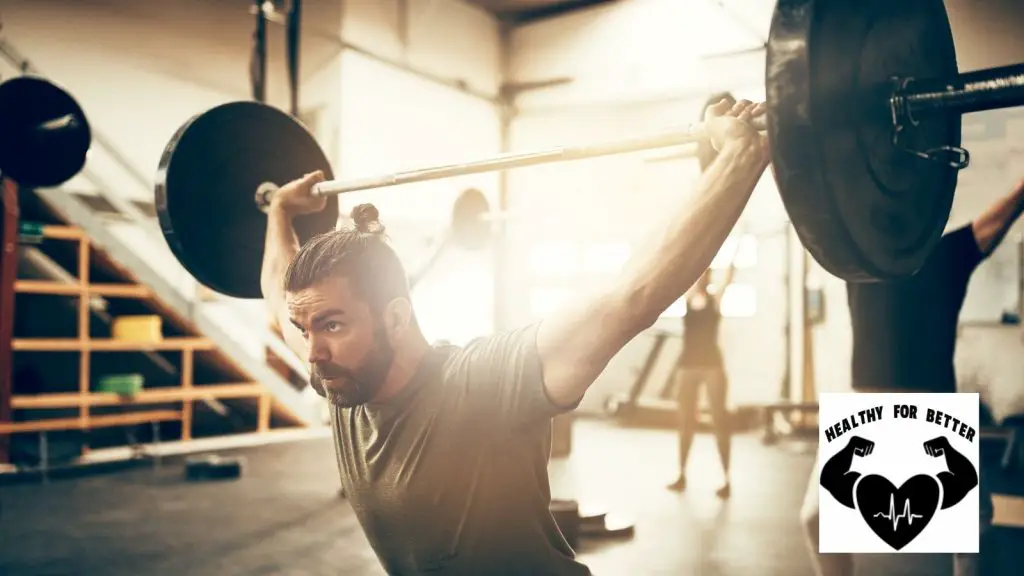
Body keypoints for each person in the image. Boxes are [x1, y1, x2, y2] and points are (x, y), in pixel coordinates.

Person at [259, 99, 771, 575]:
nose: (311, 352)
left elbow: (629, 297)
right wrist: (279, 212)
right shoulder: (342, 382)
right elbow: (279, 294)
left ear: (395, 319)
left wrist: (741, 156)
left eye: (331, 325)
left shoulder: (480, 383)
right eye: (306, 330)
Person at [799, 177, 1024, 576]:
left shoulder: (948, 251)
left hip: (931, 408)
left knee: (970, 532)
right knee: (815, 520)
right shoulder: (856, 261)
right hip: (865, 406)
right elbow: (815, 205)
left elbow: (1002, 216)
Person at [668, 92, 741, 499]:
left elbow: (728, 267)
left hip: (711, 365)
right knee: (684, 421)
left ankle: (726, 478)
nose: (702, 273)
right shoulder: (687, 287)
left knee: (719, 420)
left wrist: (737, 231)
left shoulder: (714, 296)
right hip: (687, 365)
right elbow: (686, 254)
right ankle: (680, 473)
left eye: (705, 270)